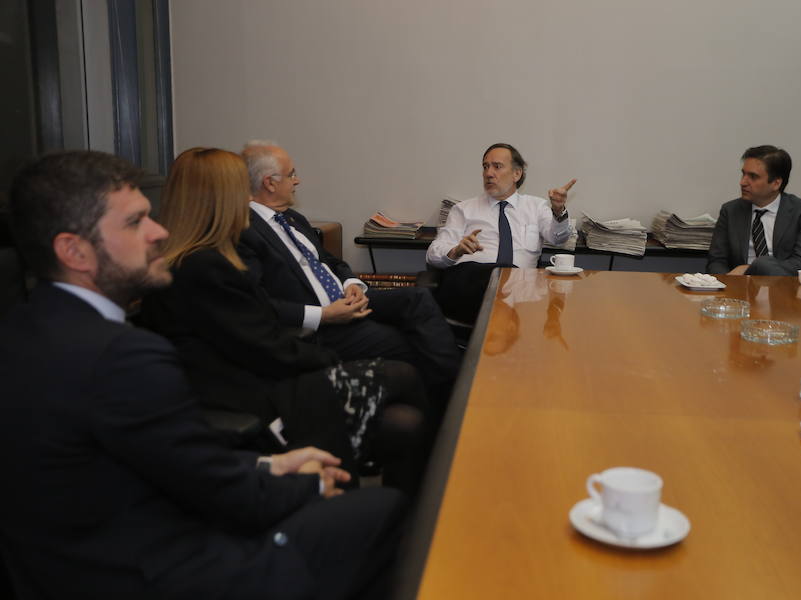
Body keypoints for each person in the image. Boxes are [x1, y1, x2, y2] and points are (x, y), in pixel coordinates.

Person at [0, 150, 405, 599]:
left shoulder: (23, 330)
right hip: (160, 572)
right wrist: (308, 481)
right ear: (73, 251)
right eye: (135, 223)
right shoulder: (123, 357)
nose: (158, 232)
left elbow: (164, 461)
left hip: (76, 560)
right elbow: (227, 498)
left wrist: (267, 464)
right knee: (384, 508)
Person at [139, 147, 428, 493]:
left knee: (408, 409)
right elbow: (261, 346)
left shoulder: (201, 259)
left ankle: (423, 498)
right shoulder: (205, 267)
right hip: (256, 392)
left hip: (260, 375)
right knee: (407, 400)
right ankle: (429, 493)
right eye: (240, 191)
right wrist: (328, 361)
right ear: (220, 200)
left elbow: (256, 333)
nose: (248, 199)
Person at [238, 141, 460, 400]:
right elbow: (257, 303)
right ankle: (455, 403)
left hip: (346, 298)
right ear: (270, 183)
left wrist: (352, 284)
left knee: (419, 297)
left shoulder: (292, 218)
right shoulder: (246, 231)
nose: (297, 181)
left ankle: (458, 392)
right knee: (414, 345)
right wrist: (324, 314)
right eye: (291, 174)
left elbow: (331, 262)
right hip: (322, 325)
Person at [425, 143, 576, 323]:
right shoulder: (463, 209)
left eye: (497, 166)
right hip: (469, 287)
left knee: (514, 280)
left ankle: (505, 328)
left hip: (520, 293)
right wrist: (456, 251)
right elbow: (433, 254)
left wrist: (559, 212)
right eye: (485, 166)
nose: (488, 173)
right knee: (499, 275)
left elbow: (559, 239)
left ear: (516, 174)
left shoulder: (536, 207)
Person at [706, 145, 801, 276]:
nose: (743, 182)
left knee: (763, 264)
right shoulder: (730, 211)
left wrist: (750, 268)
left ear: (776, 183)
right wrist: (728, 283)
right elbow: (716, 261)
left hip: (784, 289)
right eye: (743, 174)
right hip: (739, 289)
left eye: (753, 177)